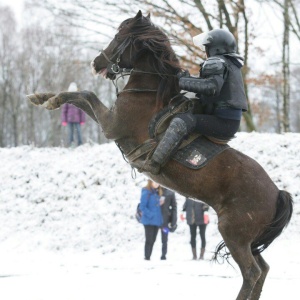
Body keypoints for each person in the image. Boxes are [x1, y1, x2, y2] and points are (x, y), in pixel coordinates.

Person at [141, 28, 248, 174]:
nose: (205, 51)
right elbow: (210, 86)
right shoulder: (229, 63)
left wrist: (181, 82)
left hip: (223, 122)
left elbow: (211, 87)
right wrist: (187, 79)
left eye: (206, 48)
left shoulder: (217, 61)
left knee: (181, 121)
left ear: (213, 49)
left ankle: (154, 163)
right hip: (228, 120)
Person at [139, 179, 163, 260]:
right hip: (148, 220)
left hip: (156, 220)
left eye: (158, 183)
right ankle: (147, 257)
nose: (156, 184)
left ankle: (148, 256)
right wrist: (150, 215)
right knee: (149, 239)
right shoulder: (146, 192)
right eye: (155, 182)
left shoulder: (157, 192)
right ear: (150, 182)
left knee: (153, 239)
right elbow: (142, 206)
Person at [61, 82, 86, 147]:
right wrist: (64, 120)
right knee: (70, 133)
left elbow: (82, 110)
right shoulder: (67, 99)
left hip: (77, 120)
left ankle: (80, 144)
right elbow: (64, 111)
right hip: (69, 120)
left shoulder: (79, 98)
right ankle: (71, 144)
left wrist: (82, 120)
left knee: (79, 133)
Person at [160, 187, 177, 260]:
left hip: (165, 221)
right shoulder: (155, 190)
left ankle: (164, 254)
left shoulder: (170, 192)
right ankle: (148, 255)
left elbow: (174, 208)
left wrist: (173, 222)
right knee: (151, 237)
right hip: (154, 219)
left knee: (165, 238)